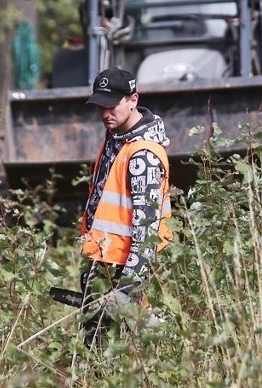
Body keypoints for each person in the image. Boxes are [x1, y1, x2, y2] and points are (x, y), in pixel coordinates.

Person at [79, 67, 173, 346]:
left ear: (133, 100)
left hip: (124, 267)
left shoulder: (142, 154)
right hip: (103, 258)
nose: (105, 113)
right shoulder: (115, 139)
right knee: (95, 347)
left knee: (124, 348)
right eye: (100, 106)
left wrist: (127, 285)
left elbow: (148, 229)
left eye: (112, 105)